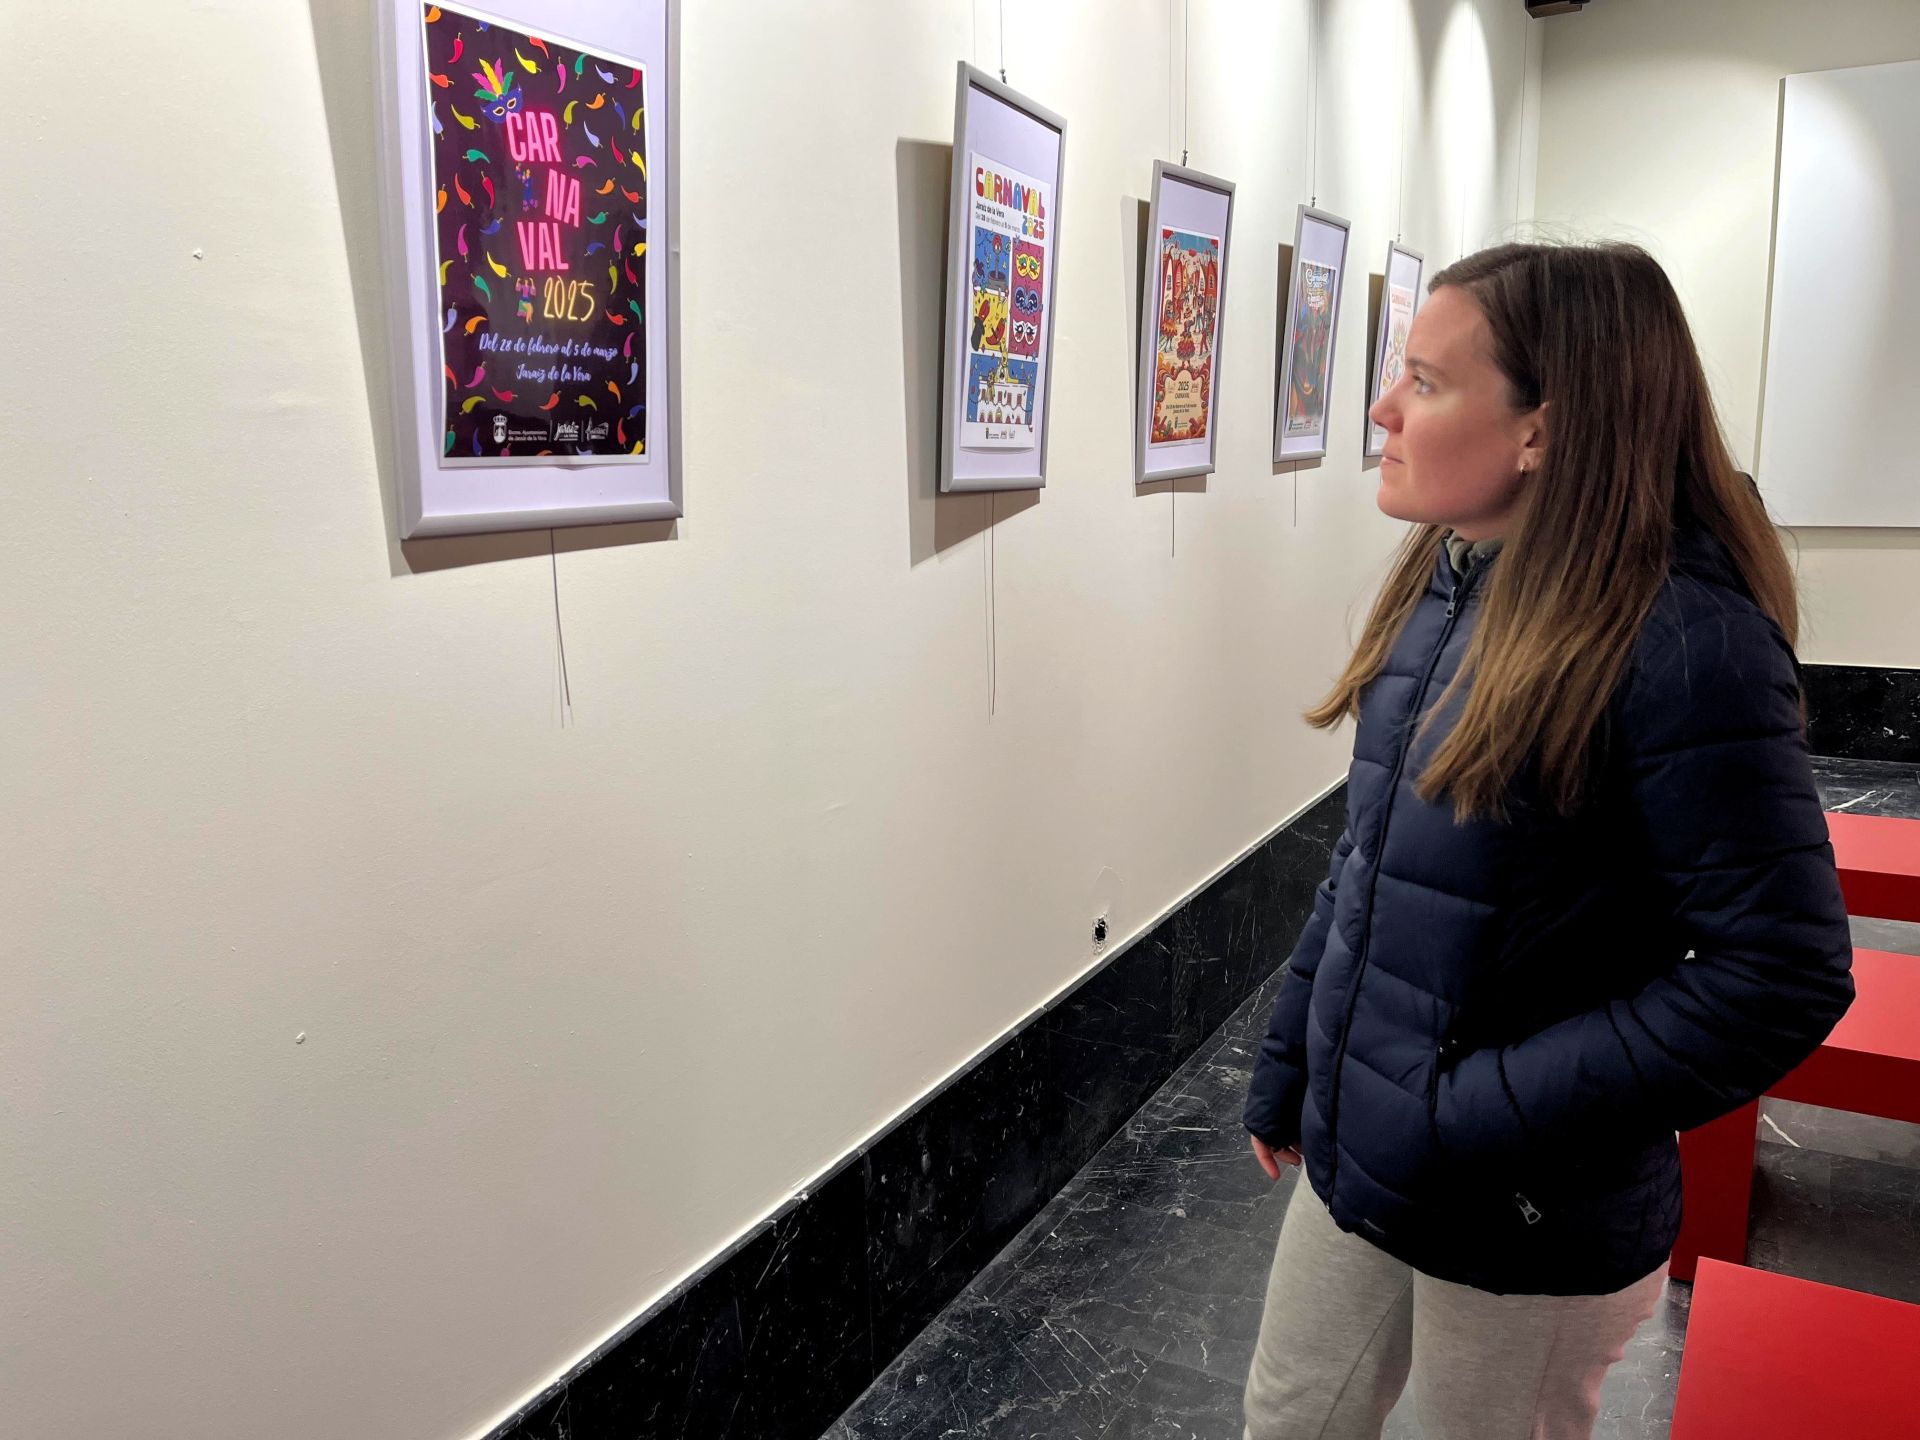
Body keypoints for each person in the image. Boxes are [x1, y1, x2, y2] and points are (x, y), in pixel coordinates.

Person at [1240, 241, 1854, 1440]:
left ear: (1541, 432)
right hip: (1366, 1141)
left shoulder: (1687, 640)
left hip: (1527, 1202)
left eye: (1422, 379)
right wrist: (1294, 1058)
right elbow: (1373, 861)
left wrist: (1468, 1111)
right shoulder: (1451, 576)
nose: (1382, 409)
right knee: (1291, 1419)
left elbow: (1779, 975)